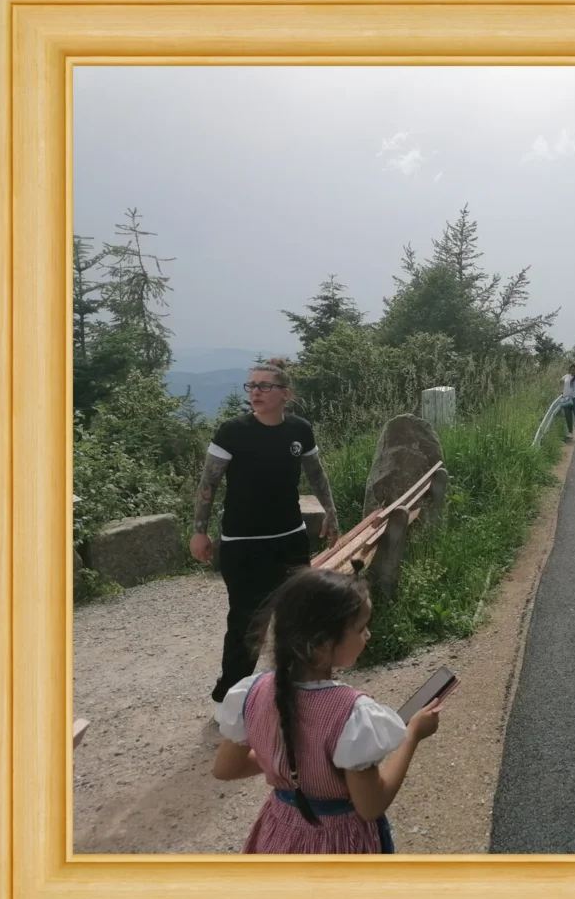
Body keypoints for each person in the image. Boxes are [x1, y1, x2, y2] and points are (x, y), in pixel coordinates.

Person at [211, 564, 444, 854]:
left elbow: (226, 768)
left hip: (278, 834)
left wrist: (287, 757)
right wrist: (412, 735)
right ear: (321, 643)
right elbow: (371, 806)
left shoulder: (251, 692)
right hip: (338, 844)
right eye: (360, 628)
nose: (368, 635)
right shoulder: (352, 714)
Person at [190, 358, 341, 704]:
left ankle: (300, 689)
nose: (255, 392)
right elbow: (208, 483)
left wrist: (331, 512)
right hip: (243, 544)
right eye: (252, 386)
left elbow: (316, 473)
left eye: (264, 386)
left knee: (299, 616)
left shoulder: (299, 430)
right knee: (246, 623)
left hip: (290, 539)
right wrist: (199, 530)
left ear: (285, 394)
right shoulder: (232, 431)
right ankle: (230, 698)